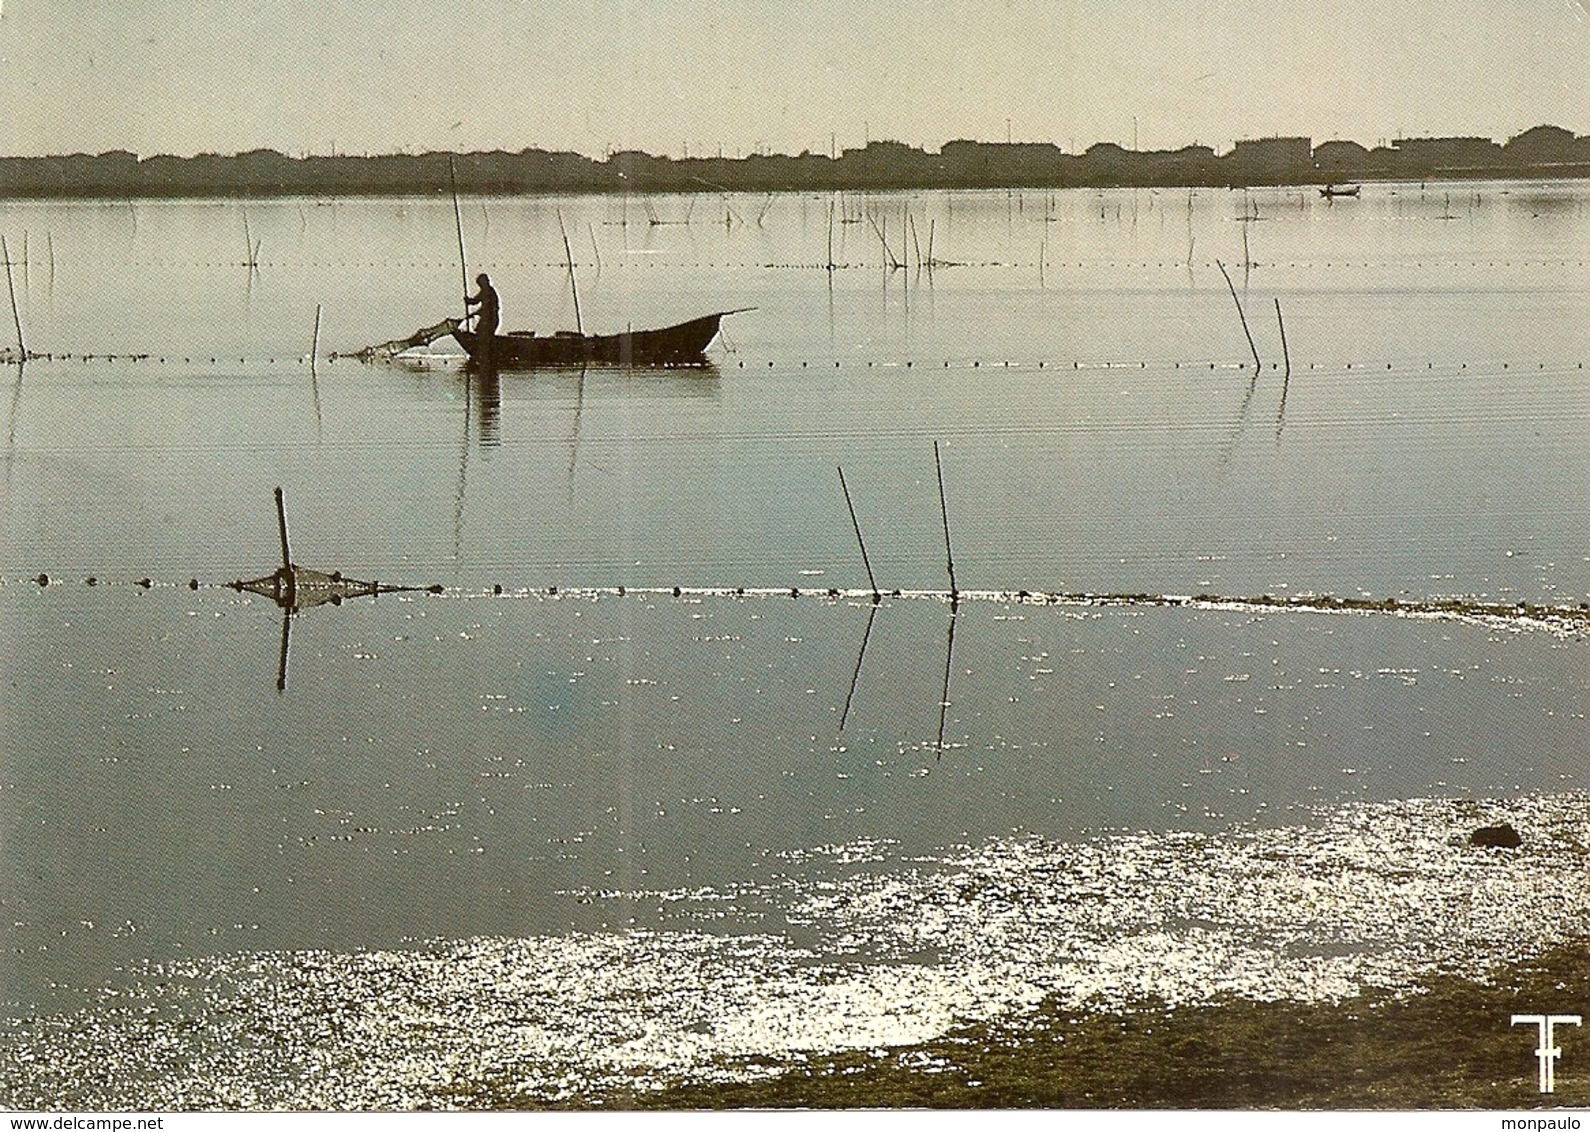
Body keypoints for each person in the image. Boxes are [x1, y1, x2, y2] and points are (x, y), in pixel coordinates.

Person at [464, 272, 500, 365]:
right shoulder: (484, 291)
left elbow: (488, 308)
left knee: (485, 335)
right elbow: (475, 301)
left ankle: (488, 354)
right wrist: (468, 301)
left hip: (491, 319)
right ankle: (484, 353)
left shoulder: (489, 292)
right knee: (480, 332)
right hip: (486, 319)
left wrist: (475, 312)